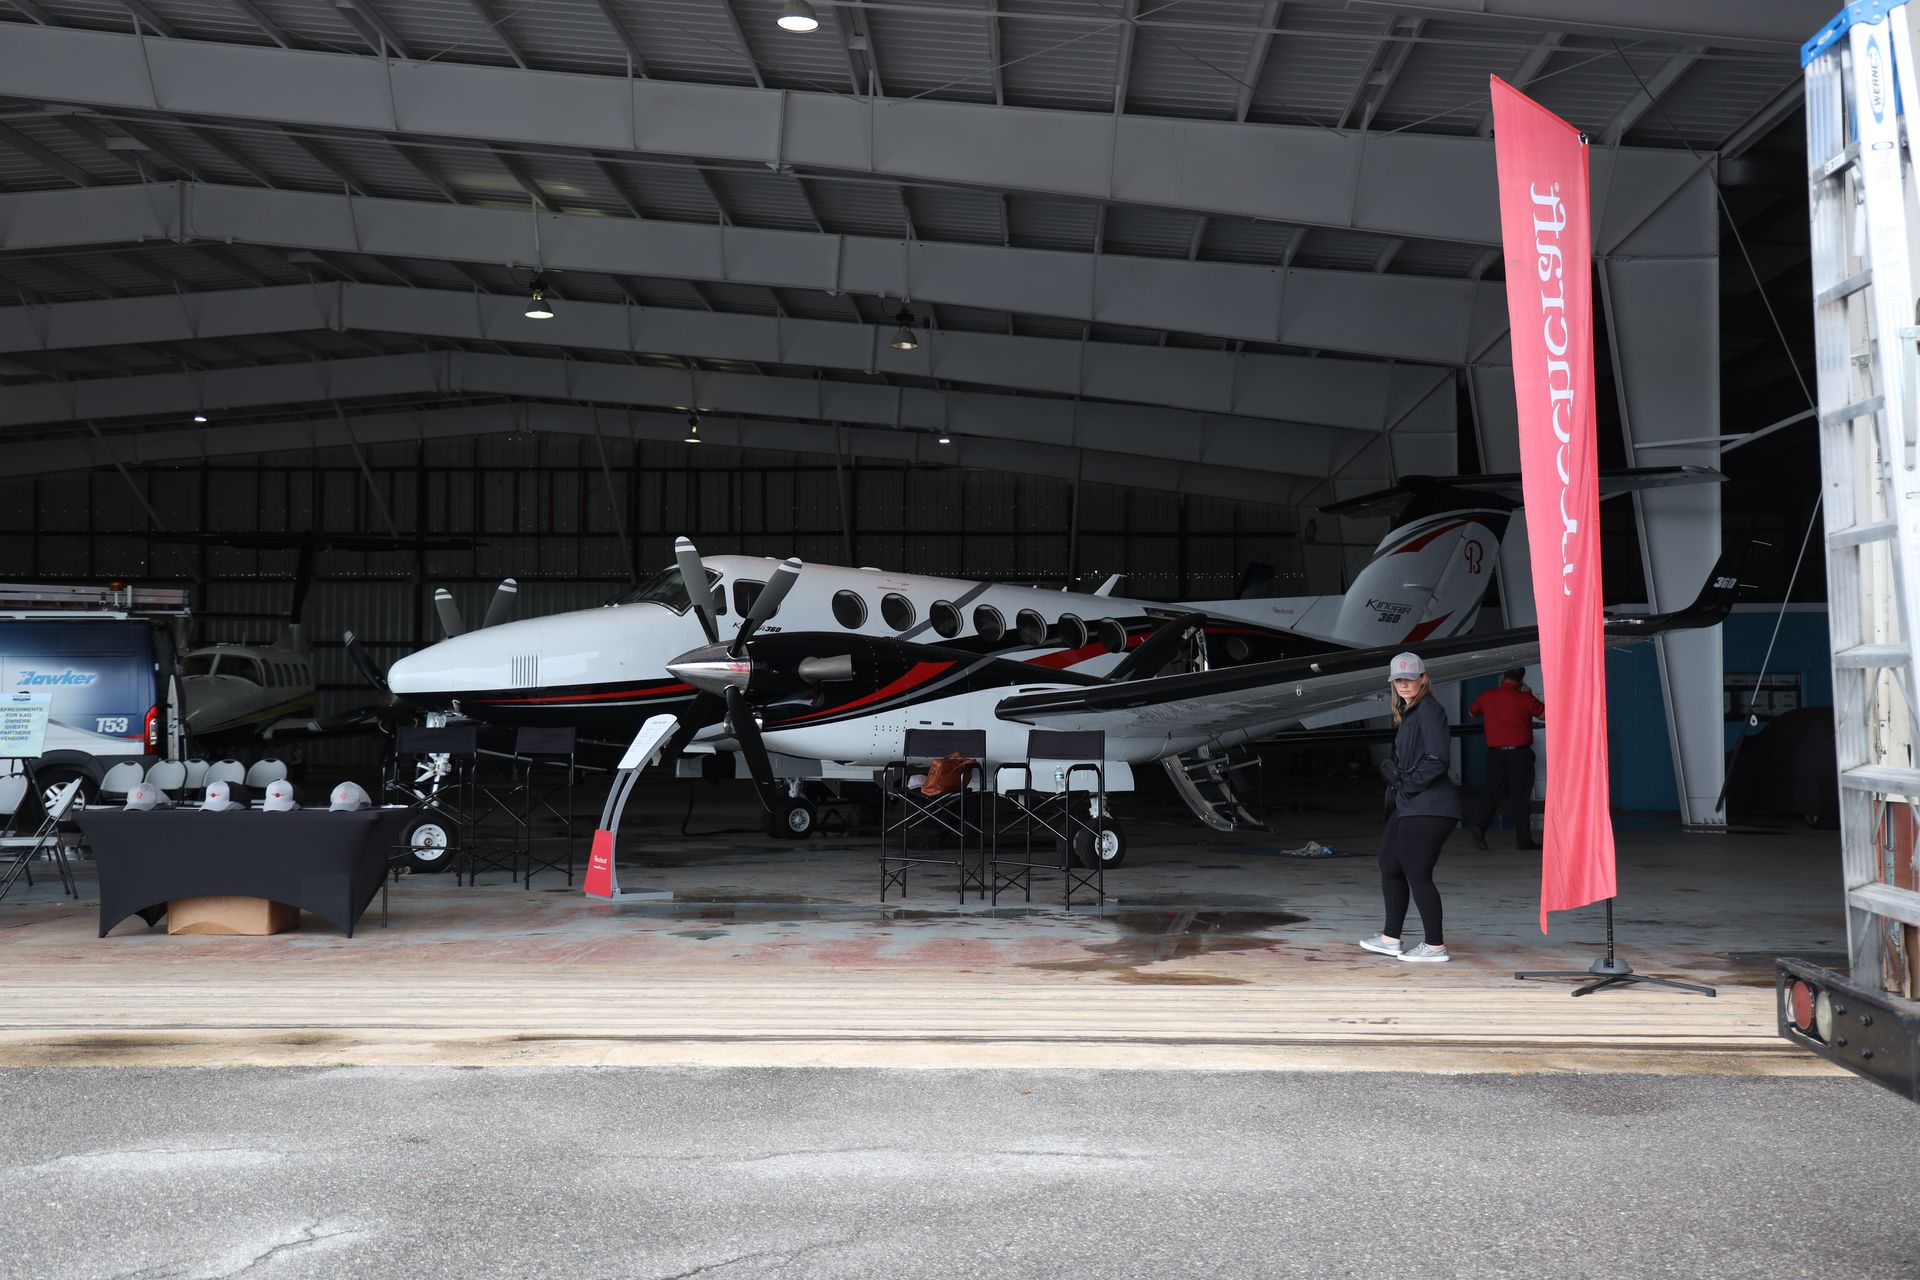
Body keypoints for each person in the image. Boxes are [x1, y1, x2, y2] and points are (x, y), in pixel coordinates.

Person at [1358, 652, 1459, 964]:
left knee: (1417, 873)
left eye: (1409, 678)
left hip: (1429, 806)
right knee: (1390, 864)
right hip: (1409, 805)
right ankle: (1390, 938)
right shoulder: (1410, 712)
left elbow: (1438, 758)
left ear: (1423, 679)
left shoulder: (1429, 709)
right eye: (1398, 679)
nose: (1403, 684)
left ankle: (1435, 946)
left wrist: (1405, 783)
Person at [1465, 667, 1544, 851]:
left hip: (1495, 754)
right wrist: (1529, 693)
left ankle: (1479, 826)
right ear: (1521, 680)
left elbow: (1471, 713)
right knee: (1521, 796)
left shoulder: (1487, 696)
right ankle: (1524, 841)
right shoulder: (1525, 698)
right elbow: (1544, 715)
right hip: (1520, 754)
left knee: (1492, 792)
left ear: (1503, 676)